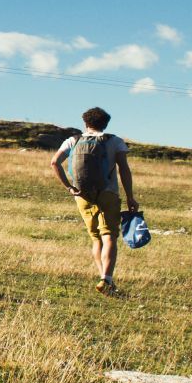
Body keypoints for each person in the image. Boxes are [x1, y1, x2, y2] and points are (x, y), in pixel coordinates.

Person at [51, 107, 138, 295]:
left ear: (85, 123)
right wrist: (130, 196)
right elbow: (124, 169)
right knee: (109, 236)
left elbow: (55, 162)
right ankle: (106, 279)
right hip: (108, 193)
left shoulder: (73, 140)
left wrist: (69, 187)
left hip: (82, 194)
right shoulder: (115, 141)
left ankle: (104, 279)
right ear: (106, 124)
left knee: (96, 237)